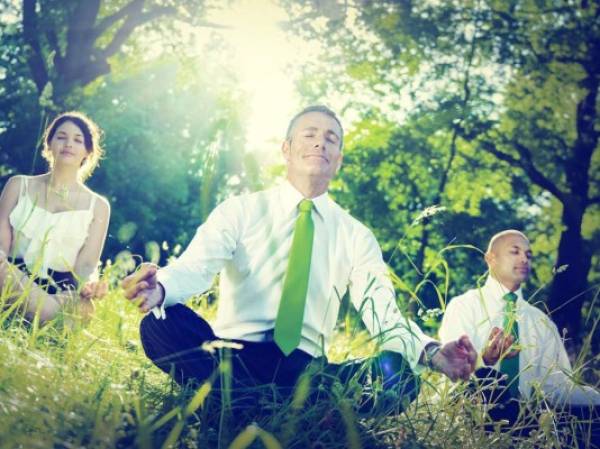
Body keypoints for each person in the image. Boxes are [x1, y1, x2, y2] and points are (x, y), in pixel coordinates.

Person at [123, 105, 476, 413]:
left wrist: (432, 352)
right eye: (309, 134)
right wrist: (161, 288)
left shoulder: (356, 235)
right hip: (231, 357)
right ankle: (257, 400)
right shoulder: (241, 210)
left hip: (309, 373)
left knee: (398, 377)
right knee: (160, 323)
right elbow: (197, 266)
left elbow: (382, 313)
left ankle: (244, 403)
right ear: (287, 150)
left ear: (338, 161)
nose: (321, 142)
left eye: (331, 139)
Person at [439, 230, 599, 444]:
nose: (524, 258)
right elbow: (453, 371)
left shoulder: (541, 322)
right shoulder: (464, 306)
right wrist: (484, 360)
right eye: (515, 252)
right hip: (469, 416)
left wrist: (595, 399)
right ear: (490, 259)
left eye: (528, 255)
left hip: (528, 423)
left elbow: (557, 386)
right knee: (489, 380)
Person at [0, 111, 111, 323]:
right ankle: (47, 319)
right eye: (61, 137)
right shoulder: (18, 185)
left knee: (85, 308)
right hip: (11, 276)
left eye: (78, 140)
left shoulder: (98, 206)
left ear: (88, 151)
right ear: (49, 144)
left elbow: (87, 265)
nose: (69, 143)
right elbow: (2, 245)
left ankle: (37, 314)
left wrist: (89, 285)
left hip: (60, 289)